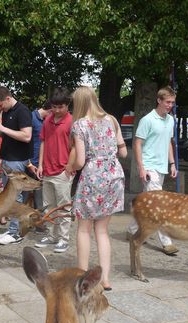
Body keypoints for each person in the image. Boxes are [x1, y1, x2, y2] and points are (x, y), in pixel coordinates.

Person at [70, 86, 127, 291]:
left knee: (84, 229)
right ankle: (105, 279)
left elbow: (80, 160)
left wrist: (70, 168)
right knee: (102, 231)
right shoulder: (112, 119)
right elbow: (124, 153)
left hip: (93, 177)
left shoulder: (79, 125)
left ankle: (82, 275)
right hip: (114, 176)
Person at [127, 86, 178, 256]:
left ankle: (132, 229)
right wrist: (141, 167)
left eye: (172, 102)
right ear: (159, 100)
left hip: (162, 166)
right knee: (158, 205)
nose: (170, 105)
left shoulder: (170, 120)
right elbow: (137, 143)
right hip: (149, 167)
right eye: (168, 102)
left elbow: (169, 142)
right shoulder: (147, 120)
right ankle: (167, 242)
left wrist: (172, 163)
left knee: (148, 201)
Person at [0, 86, 33, 245]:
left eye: (1, 105)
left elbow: (26, 136)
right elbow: (9, 135)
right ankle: (12, 229)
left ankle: (15, 232)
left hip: (17, 159)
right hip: (7, 158)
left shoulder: (22, 111)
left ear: (8, 98)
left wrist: (3, 128)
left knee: (16, 196)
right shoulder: (7, 112)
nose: (0, 109)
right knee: (9, 195)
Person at [35, 88, 75, 253]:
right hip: (47, 169)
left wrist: (69, 166)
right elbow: (43, 142)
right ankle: (51, 236)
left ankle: (63, 239)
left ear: (67, 106)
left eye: (61, 107)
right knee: (48, 206)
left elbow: (75, 147)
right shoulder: (48, 120)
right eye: (54, 107)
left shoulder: (72, 122)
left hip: (63, 171)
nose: (57, 110)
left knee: (64, 206)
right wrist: (40, 165)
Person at [26, 100, 52, 210]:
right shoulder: (31, 118)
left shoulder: (47, 121)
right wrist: (29, 163)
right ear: (50, 110)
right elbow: (25, 141)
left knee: (39, 196)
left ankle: (39, 223)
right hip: (29, 163)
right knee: (24, 195)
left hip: (41, 165)